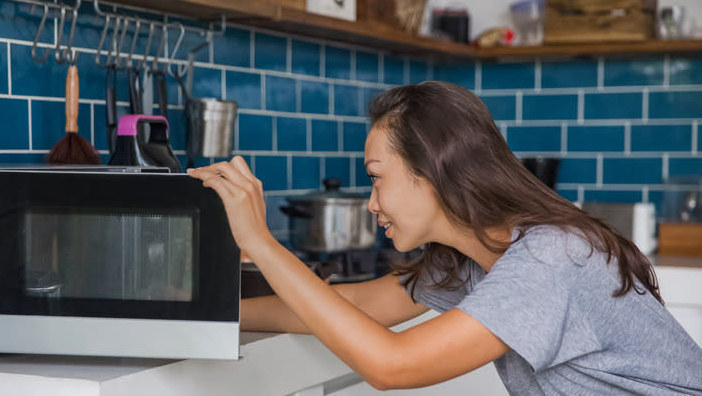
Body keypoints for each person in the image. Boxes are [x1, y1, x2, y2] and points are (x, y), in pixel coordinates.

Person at [187, 81, 702, 394]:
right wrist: (209, 311)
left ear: (430, 172)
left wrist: (260, 242)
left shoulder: (550, 259)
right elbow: (361, 304)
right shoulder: (471, 258)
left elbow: (394, 365)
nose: (371, 203)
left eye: (375, 176)